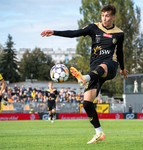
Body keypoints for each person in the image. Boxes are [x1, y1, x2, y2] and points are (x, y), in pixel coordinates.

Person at [41, 4, 128, 144]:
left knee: (103, 65)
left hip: (110, 66)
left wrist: (123, 69)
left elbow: (120, 52)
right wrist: (54, 32)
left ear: (113, 17)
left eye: (107, 16)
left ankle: (84, 78)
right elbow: (74, 33)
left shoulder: (119, 33)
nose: (104, 19)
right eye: (102, 16)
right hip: (95, 70)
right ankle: (99, 133)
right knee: (87, 103)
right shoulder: (94, 27)